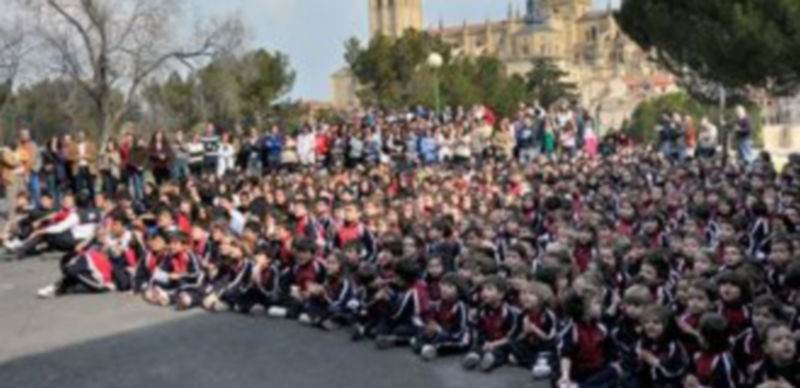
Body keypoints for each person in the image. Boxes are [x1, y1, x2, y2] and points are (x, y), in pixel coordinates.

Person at [65, 130, 97, 198]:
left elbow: (95, 156)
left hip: (88, 167)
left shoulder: (91, 144)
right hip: (78, 167)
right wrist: (77, 157)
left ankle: (93, 202)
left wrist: (86, 156)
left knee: (91, 185)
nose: (80, 137)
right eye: (79, 135)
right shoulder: (73, 145)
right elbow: (69, 157)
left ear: (85, 136)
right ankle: (79, 202)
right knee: (78, 186)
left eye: (82, 135)